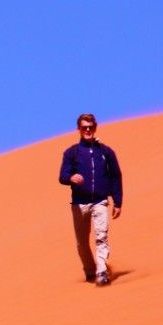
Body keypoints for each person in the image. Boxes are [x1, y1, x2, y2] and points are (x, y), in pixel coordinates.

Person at [58, 114, 123, 286]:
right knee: (81, 243)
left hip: (100, 201)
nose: (87, 130)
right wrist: (71, 177)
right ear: (78, 129)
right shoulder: (72, 153)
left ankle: (101, 271)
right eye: (84, 127)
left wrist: (117, 202)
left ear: (95, 127)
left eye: (90, 127)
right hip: (79, 203)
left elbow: (116, 176)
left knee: (101, 237)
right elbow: (62, 176)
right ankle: (90, 270)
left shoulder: (106, 152)